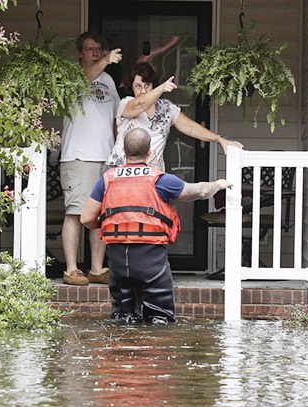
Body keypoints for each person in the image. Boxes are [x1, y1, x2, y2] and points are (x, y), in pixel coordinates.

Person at [81, 128, 233, 324]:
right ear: (149, 152)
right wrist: (218, 184)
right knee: (159, 320)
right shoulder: (160, 180)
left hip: (117, 258)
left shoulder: (107, 180)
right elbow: (199, 191)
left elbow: (86, 218)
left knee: (122, 319)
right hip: (149, 258)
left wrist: (110, 224)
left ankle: (120, 351)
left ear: (123, 152)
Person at [60, 31, 122, 286]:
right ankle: (72, 269)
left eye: (99, 49)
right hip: (79, 155)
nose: (96, 53)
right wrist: (107, 60)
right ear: (79, 53)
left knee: (100, 215)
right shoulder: (71, 76)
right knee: (75, 212)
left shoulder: (107, 80)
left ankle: (97, 269)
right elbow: (85, 79)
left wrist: (119, 150)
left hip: (105, 157)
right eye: (90, 49)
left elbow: (116, 117)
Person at [105, 62, 243, 171]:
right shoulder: (126, 103)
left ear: (153, 85)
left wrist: (219, 139)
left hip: (152, 175)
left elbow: (190, 128)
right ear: (131, 87)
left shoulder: (166, 108)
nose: (142, 91)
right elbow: (142, 104)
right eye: (137, 86)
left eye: (147, 85)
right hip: (120, 171)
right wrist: (162, 88)